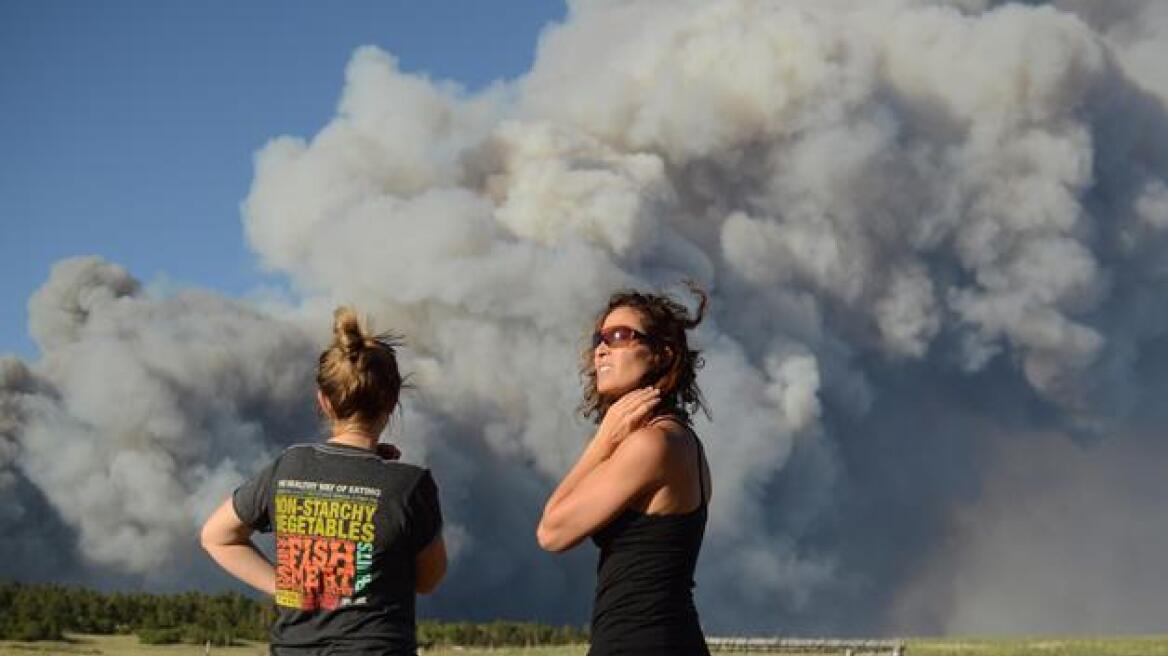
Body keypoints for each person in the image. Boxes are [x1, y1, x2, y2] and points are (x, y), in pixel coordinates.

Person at [201, 306, 446, 656]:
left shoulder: (288, 468)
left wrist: (287, 588)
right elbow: (429, 580)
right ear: (393, 401)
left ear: (324, 401)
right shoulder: (410, 485)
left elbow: (216, 537)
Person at [537, 283, 713, 656]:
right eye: (599, 338)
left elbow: (552, 532)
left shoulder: (652, 445)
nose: (601, 348)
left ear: (661, 354)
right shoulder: (680, 440)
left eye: (620, 336)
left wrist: (601, 443)